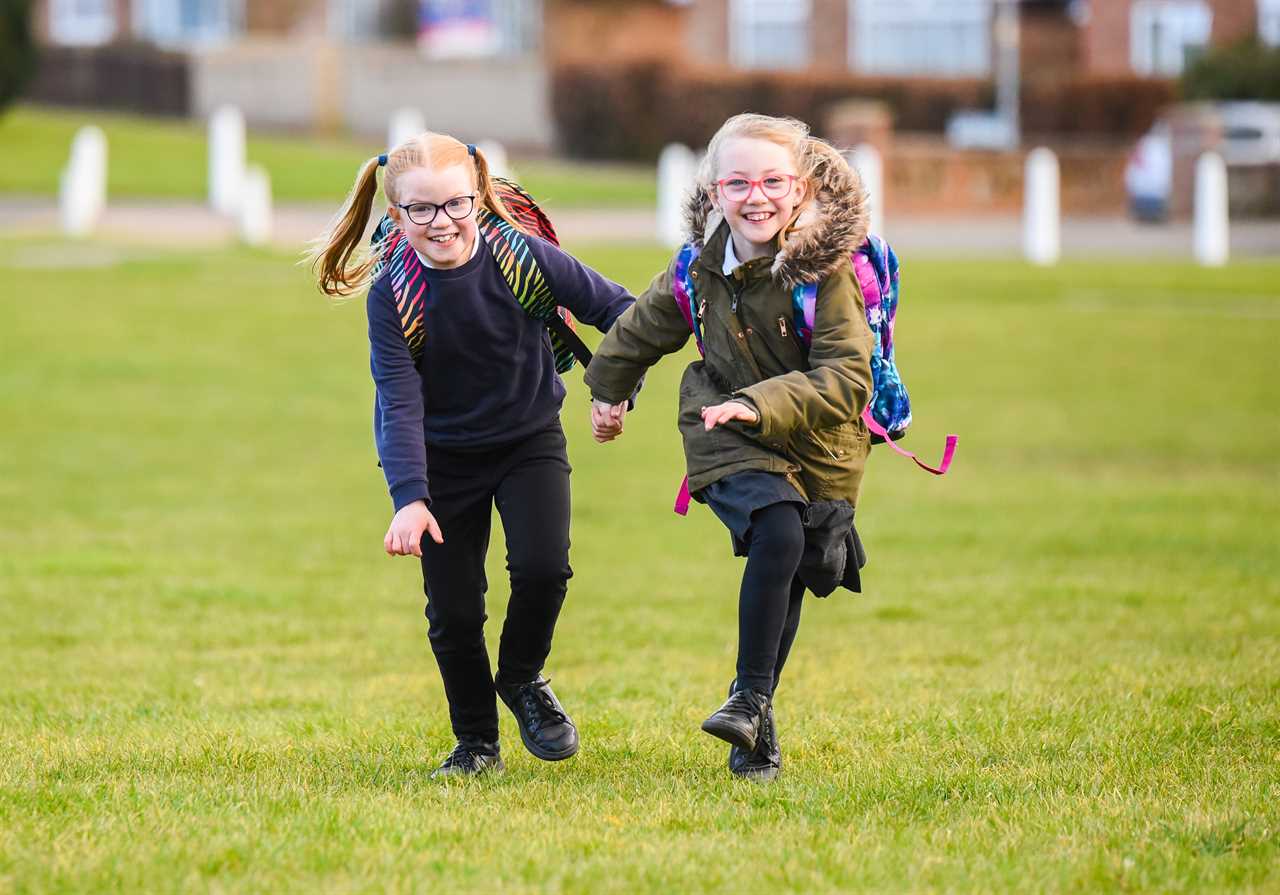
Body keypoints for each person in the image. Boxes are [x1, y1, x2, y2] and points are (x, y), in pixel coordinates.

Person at [311, 132, 633, 778]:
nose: (443, 223)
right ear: (396, 216)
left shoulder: (524, 257)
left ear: (478, 194)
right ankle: (476, 743)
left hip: (528, 440)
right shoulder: (392, 294)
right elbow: (397, 400)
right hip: (440, 460)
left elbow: (619, 308)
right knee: (455, 612)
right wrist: (410, 498)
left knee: (544, 569)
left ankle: (520, 678)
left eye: (456, 204)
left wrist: (616, 384)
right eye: (422, 210)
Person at [584, 113, 875, 782]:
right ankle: (748, 697)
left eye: (773, 181)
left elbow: (847, 377)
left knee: (803, 565)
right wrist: (609, 390)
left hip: (820, 445)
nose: (756, 197)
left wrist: (763, 401)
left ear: (799, 190)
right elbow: (640, 329)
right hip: (721, 427)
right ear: (714, 192)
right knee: (778, 530)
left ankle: (755, 728)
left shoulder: (826, 274)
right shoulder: (699, 266)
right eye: (738, 182)